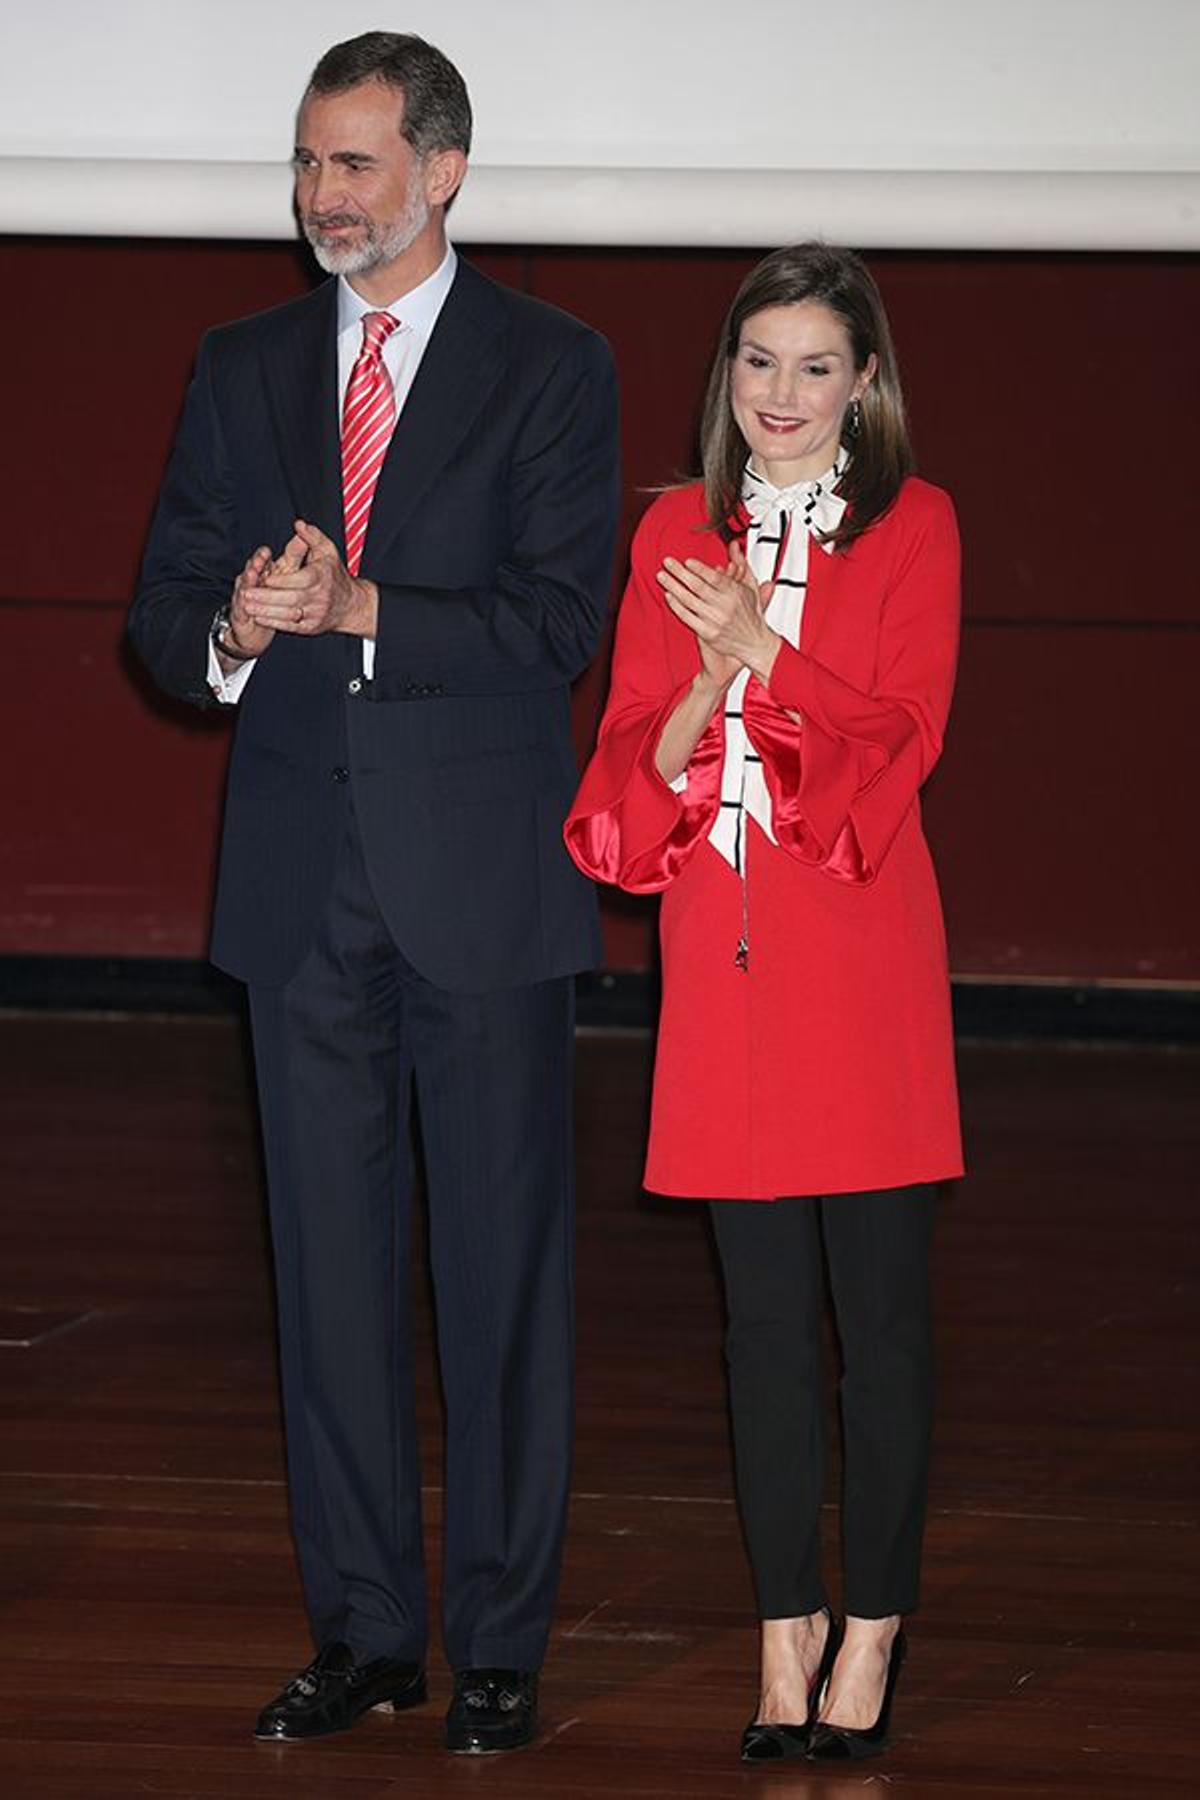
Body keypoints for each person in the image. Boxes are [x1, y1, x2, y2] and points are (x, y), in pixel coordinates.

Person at [128, 31, 619, 1757]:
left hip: (479, 887)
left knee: (500, 1277)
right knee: (326, 1281)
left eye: (351, 165)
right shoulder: (240, 360)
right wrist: (238, 624)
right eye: (306, 162)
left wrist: (365, 611)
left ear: (442, 173)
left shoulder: (550, 363)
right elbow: (162, 612)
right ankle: (364, 1634)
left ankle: (496, 1641)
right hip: (295, 884)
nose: (318, 196)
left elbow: (566, 625)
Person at [564, 241, 961, 1763]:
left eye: (815, 365)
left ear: (864, 384)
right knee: (763, 1334)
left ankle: (876, 1627)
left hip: (858, 974)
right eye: (757, 362)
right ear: (725, 375)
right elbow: (619, 784)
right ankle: (783, 1623)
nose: (781, 394)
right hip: (716, 983)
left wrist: (764, 655)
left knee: (885, 1325)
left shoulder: (917, 527)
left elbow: (901, 748)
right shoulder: (673, 526)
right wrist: (703, 680)